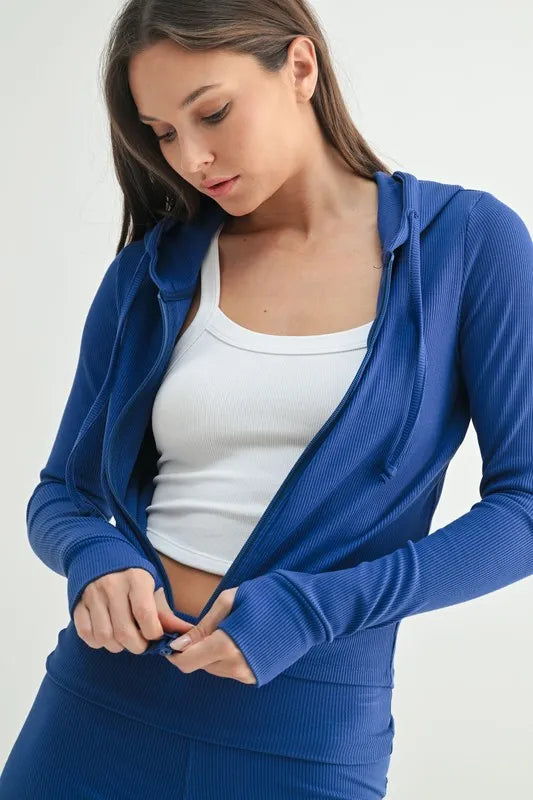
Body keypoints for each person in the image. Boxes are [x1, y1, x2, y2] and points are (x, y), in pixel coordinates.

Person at [1, 1, 532, 798]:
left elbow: (524, 506)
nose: (192, 157)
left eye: (212, 112)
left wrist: (314, 608)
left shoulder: (464, 245)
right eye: (163, 133)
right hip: (97, 706)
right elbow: (62, 494)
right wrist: (94, 558)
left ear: (300, 68)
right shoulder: (150, 274)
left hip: (306, 733)